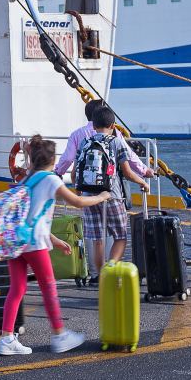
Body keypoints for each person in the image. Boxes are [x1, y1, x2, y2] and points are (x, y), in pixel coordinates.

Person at [0, 135, 110, 355]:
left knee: (17, 289)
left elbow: (31, 217)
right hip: (35, 244)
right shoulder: (50, 179)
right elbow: (78, 202)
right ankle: (59, 335)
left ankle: (6, 338)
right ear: (52, 160)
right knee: (48, 287)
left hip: (17, 241)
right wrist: (101, 196)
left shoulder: (27, 180)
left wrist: (55, 241)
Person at [69, 106, 151, 284]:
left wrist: (79, 193)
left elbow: (74, 174)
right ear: (113, 126)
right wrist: (143, 182)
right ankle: (111, 267)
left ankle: (100, 277)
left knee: (97, 240)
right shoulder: (117, 142)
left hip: (89, 198)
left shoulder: (84, 142)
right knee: (120, 237)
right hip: (111, 195)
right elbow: (127, 172)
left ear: (93, 125)